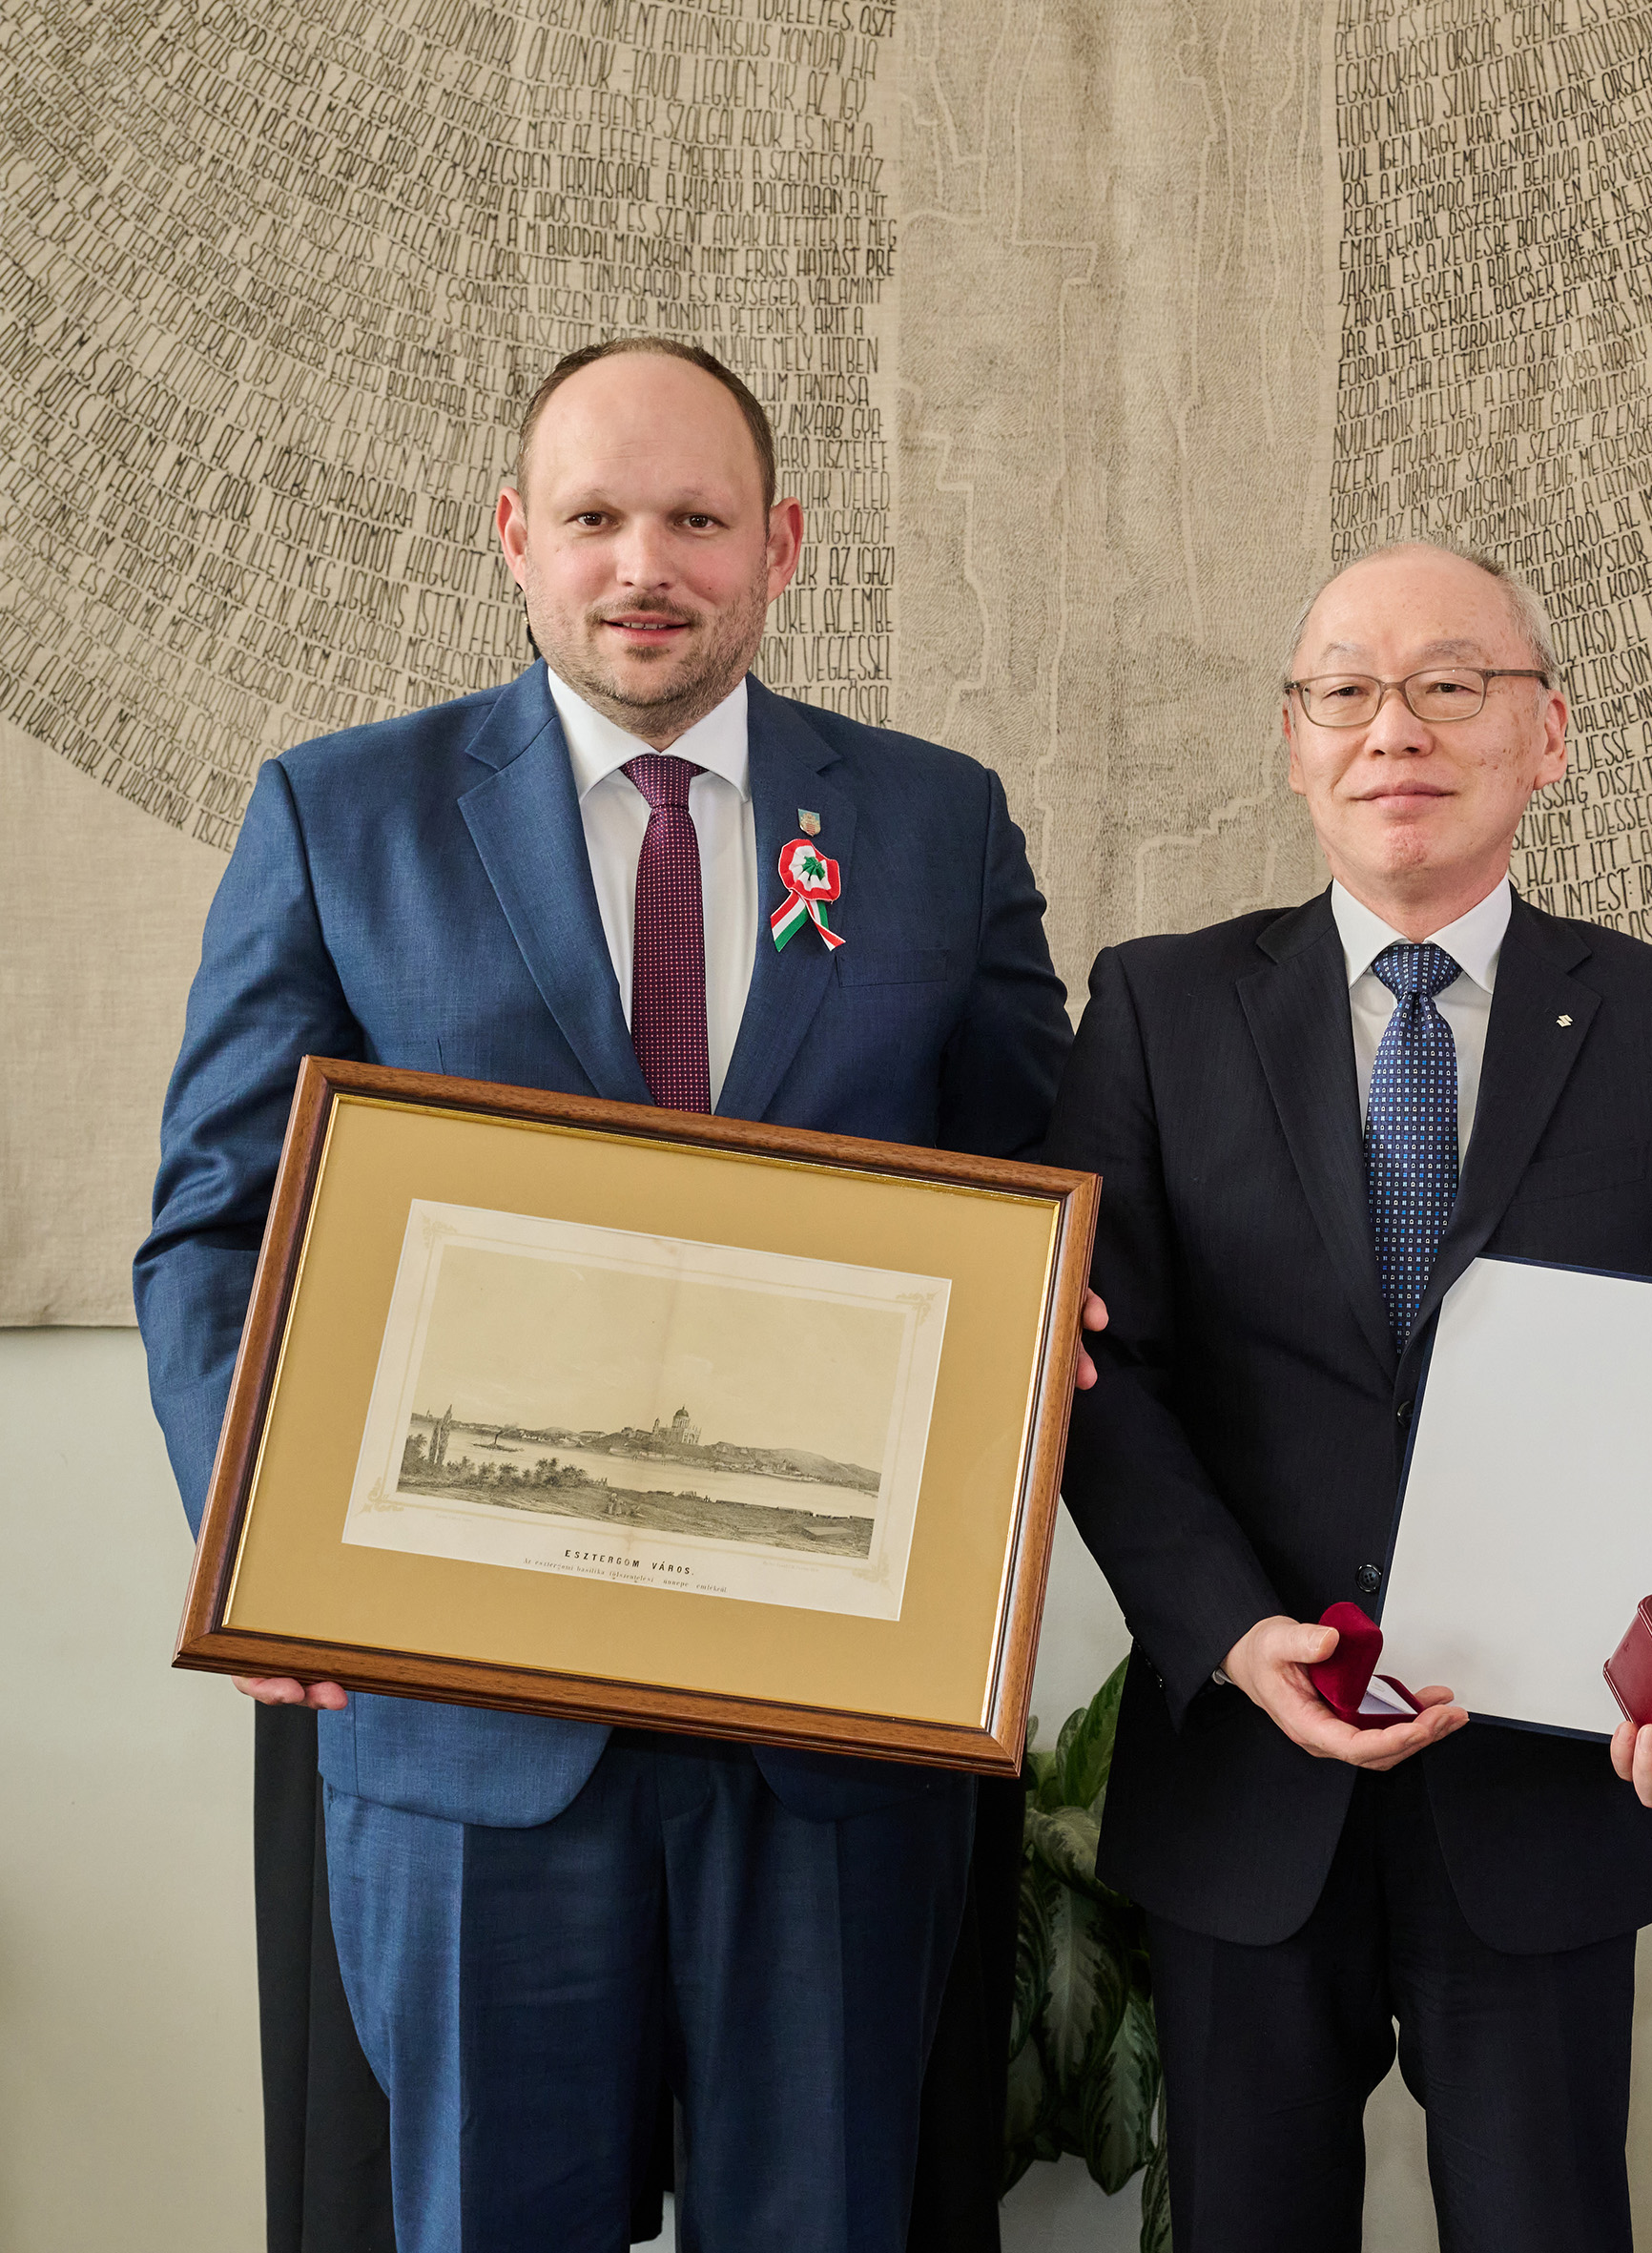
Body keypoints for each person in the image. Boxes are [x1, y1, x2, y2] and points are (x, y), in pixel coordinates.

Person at [135, 336, 1079, 2253]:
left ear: (779, 545)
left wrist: (1052, 1320)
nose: (645, 564)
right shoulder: (341, 812)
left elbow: (1035, 1198)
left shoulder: (933, 826)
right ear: (515, 535)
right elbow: (215, 1232)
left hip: (830, 1735)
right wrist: (258, 1537)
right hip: (465, 1732)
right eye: (594, 517)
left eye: (696, 519)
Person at [1043, 541, 1652, 2252]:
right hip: (1247, 1776)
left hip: (1552, 1787)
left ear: (1549, 734)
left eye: (1452, 684)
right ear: (1293, 741)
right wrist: (1231, 1632)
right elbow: (1096, 1366)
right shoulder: (1156, 1006)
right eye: (1347, 691)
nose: (1396, 729)